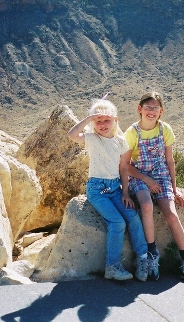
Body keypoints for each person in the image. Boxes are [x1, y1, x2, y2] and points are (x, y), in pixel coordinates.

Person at [67, 97, 149, 281]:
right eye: (98, 121)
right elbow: (71, 135)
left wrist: (126, 192)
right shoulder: (92, 139)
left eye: (107, 120)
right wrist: (89, 119)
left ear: (115, 120)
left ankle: (143, 259)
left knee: (132, 216)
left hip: (115, 188)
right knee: (117, 223)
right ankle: (112, 266)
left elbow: (123, 168)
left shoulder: (120, 142)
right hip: (97, 190)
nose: (103, 124)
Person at [123, 91, 184, 281]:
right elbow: (126, 165)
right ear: (140, 109)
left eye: (155, 108)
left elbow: (170, 161)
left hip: (161, 174)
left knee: (171, 213)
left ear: (161, 111)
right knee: (146, 205)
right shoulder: (132, 132)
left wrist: (174, 187)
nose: (151, 111)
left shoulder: (165, 130)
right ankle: (153, 254)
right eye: (148, 107)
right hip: (139, 174)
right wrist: (147, 180)